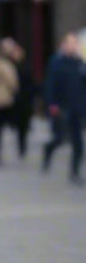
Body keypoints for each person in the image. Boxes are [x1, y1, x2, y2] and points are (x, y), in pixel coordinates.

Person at [42, 32, 86, 184]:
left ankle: (74, 172)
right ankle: (48, 150)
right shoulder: (57, 63)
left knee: (78, 143)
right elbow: (51, 85)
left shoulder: (80, 63)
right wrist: (52, 105)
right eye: (70, 43)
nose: (73, 46)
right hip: (62, 108)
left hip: (77, 108)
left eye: (75, 43)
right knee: (61, 138)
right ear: (64, 45)